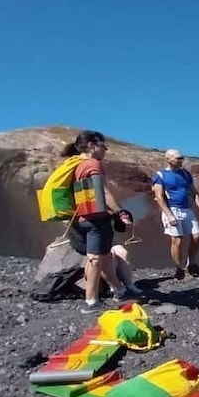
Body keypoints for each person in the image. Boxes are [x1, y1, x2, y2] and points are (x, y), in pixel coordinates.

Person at [62, 130, 134, 313]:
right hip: (96, 220)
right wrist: (120, 212)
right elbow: (103, 192)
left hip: (80, 219)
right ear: (91, 146)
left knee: (100, 257)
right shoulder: (93, 164)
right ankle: (91, 301)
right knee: (95, 259)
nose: (105, 149)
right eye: (103, 146)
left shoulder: (75, 165)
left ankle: (118, 289)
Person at [152, 149, 199, 279]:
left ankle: (192, 262)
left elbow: (194, 193)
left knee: (197, 237)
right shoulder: (160, 176)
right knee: (177, 240)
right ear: (168, 159)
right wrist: (168, 214)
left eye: (181, 158)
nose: (181, 161)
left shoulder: (185, 174)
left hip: (186, 209)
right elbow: (159, 197)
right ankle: (178, 267)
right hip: (172, 209)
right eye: (178, 158)